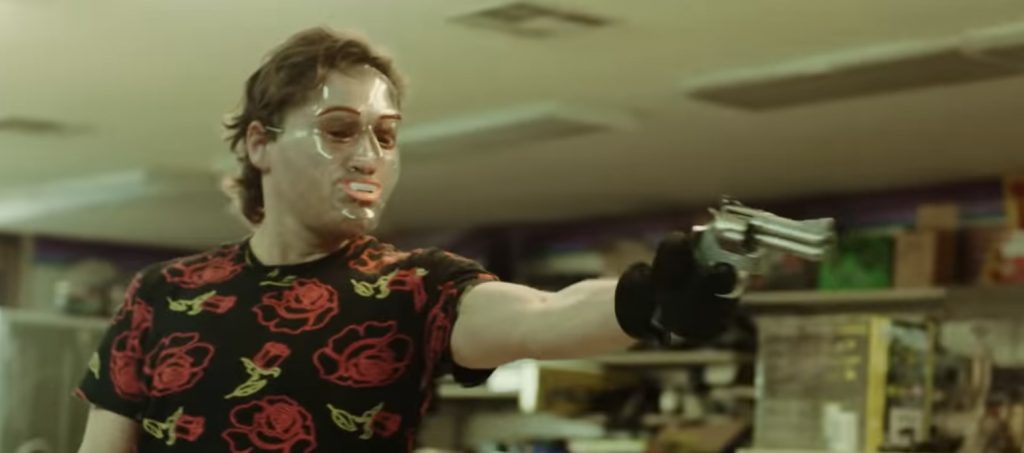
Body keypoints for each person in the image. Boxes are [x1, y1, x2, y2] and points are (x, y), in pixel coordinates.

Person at [74, 27, 738, 453]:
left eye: (386, 136)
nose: (368, 156)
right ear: (259, 144)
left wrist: (645, 301)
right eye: (339, 130)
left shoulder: (412, 288)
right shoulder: (164, 294)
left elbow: (538, 315)